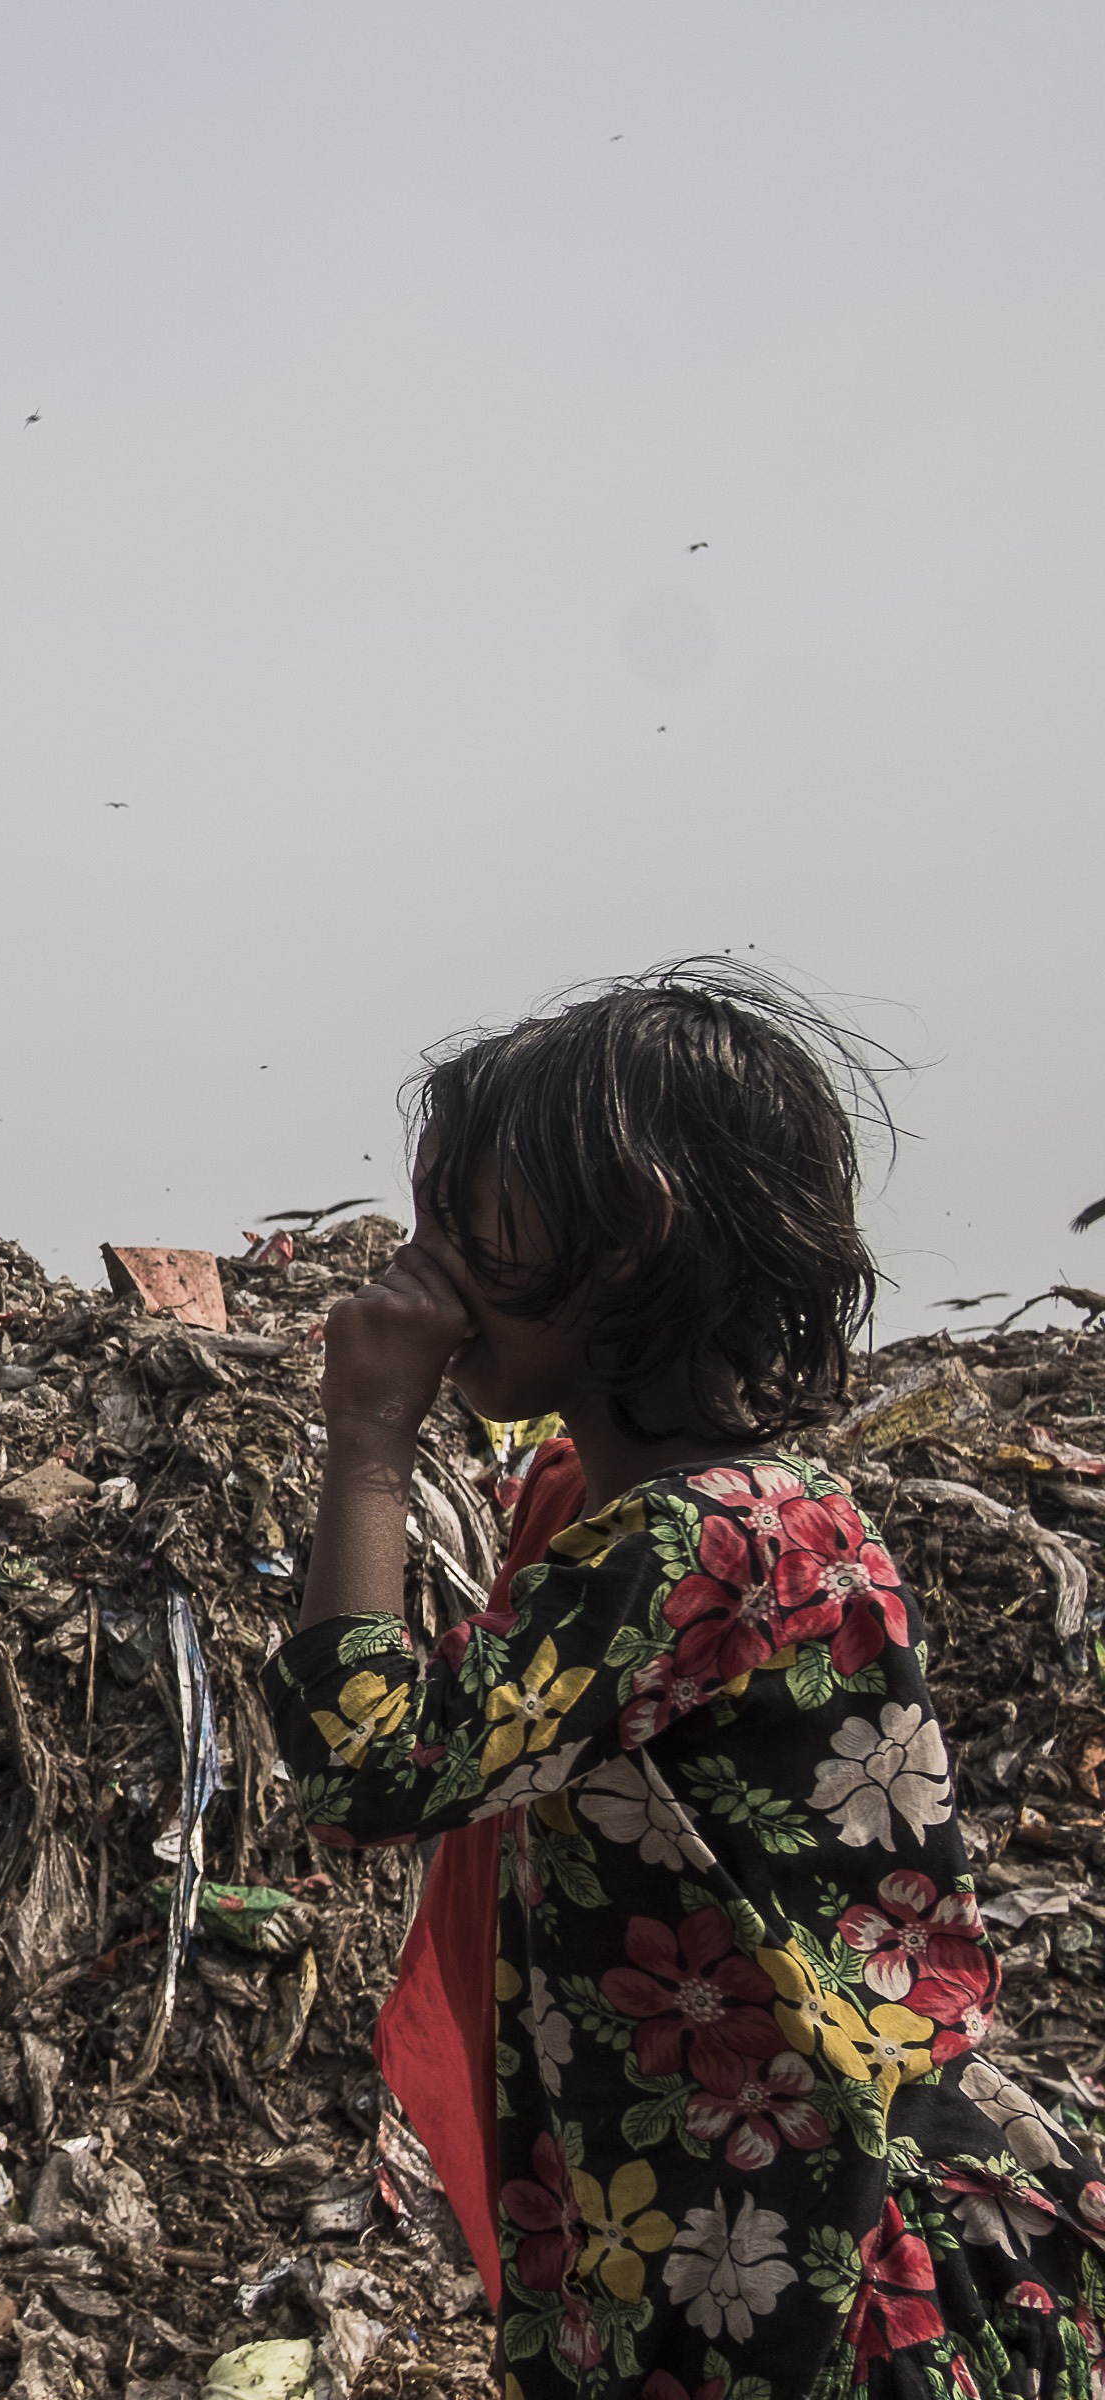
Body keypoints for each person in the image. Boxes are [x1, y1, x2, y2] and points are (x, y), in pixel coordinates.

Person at [261, 964, 1105, 2400]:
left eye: (461, 1221)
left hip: (800, 2281)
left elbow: (367, 1769)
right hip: (703, 2249)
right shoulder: (632, 1517)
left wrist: (369, 1440)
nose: (424, 1271)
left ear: (632, 1231)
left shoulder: (712, 1543)